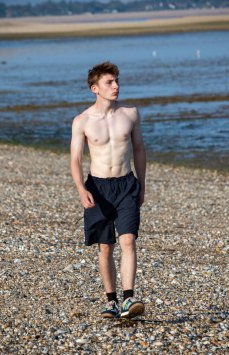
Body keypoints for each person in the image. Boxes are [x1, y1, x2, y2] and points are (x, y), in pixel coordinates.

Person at [70, 61, 146, 318]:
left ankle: (129, 299)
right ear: (95, 88)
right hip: (98, 187)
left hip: (126, 184)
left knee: (128, 239)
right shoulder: (82, 121)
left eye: (116, 81)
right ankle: (111, 301)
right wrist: (81, 188)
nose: (116, 86)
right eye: (109, 82)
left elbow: (139, 150)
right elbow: (75, 159)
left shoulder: (131, 113)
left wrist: (142, 185)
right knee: (105, 247)